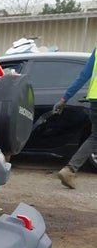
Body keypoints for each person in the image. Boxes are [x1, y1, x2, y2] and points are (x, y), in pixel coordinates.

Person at [53, 46, 97, 189]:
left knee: (95, 137)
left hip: (95, 101)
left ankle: (70, 170)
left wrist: (64, 98)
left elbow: (84, 75)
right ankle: (70, 170)